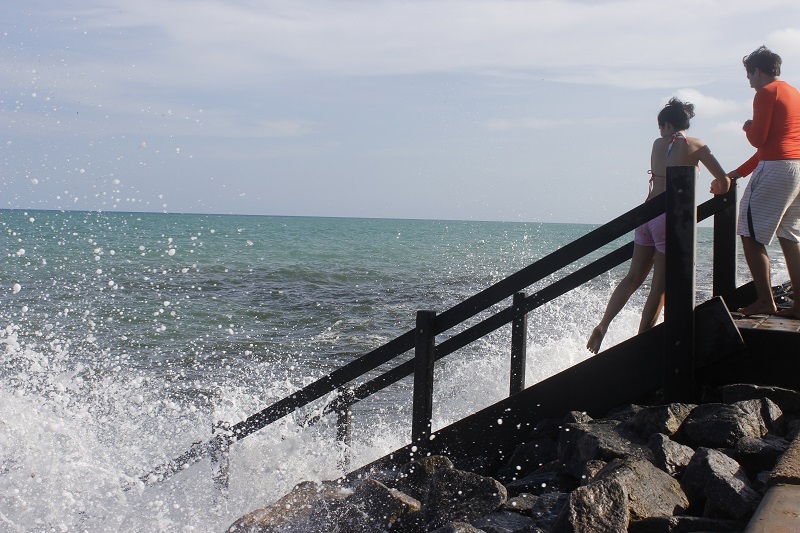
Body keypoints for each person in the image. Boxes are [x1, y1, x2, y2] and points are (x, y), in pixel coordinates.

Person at [587, 98, 729, 354]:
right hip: (668, 219)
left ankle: (603, 324)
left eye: (660, 126)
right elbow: (723, 179)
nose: (659, 131)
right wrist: (718, 187)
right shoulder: (696, 145)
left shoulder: (656, 145)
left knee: (632, 278)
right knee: (659, 287)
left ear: (666, 124)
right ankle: (642, 342)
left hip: (647, 215)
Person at [719, 46, 800, 319]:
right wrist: (737, 173)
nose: (749, 81)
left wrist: (747, 127)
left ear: (758, 70)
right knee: (790, 237)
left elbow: (759, 140)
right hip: (796, 169)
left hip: (776, 169)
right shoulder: (794, 93)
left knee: (749, 233)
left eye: (749, 74)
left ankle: (765, 301)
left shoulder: (765, 93)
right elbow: (772, 147)